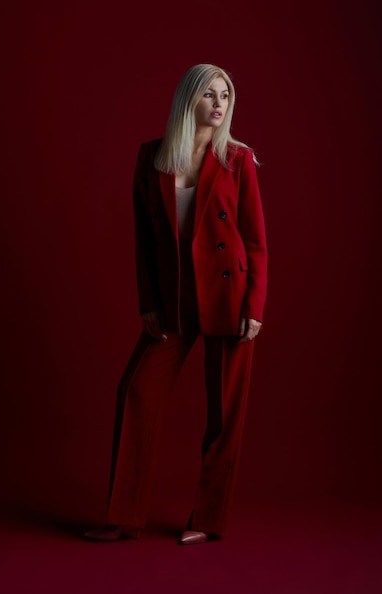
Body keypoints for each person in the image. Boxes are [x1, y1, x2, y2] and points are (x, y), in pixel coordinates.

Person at [84, 63, 268, 545]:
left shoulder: (238, 159)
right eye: (208, 94)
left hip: (230, 295)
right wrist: (149, 301)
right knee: (138, 391)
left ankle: (207, 520)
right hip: (174, 298)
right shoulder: (153, 157)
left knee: (226, 414)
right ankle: (123, 516)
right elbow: (144, 240)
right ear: (189, 99)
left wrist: (255, 306)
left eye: (225, 95)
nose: (218, 104)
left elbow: (255, 240)